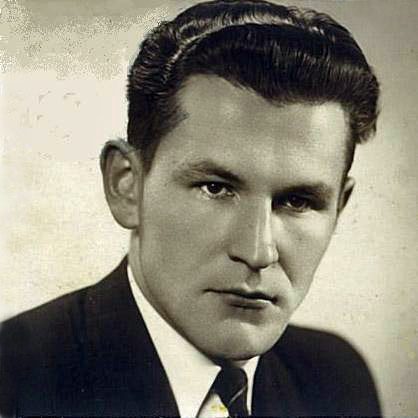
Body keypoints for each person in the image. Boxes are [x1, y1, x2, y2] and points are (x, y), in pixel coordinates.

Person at [0, 0, 381, 416]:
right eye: (216, 188)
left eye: (298, 201)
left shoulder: (337, 379)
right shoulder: (14, 379)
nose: (258, 252)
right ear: (127, 185)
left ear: (340, 208)